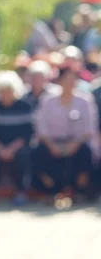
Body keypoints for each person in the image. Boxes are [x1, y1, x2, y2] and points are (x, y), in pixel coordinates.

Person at [33, 64, 96, 198]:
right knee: (38, 152)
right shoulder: (47, 100)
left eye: (73, 79)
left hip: (76, 143)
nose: (70, 83)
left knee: (85, 152)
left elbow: (89, 127)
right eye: (67, 79)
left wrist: (75, 144)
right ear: (59, 81)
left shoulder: (85, 100)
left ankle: (79, 190)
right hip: (52, 142)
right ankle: (49, 190)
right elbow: (41, 126)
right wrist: (51, 145)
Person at [0, 71, 33, 205]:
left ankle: (21, 192)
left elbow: (26, 134)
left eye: (9, 90)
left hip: (17, 147)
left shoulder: (25, 107)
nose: (6, 94)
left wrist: (11, 149)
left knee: (23, 155)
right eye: (3, 91)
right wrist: (0, 149)